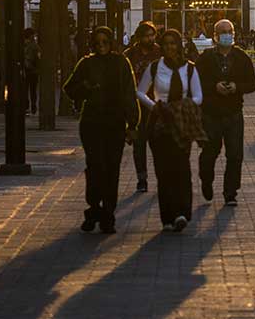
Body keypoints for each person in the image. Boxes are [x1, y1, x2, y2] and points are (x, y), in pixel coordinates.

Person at [63, 26, 140, 234]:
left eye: (105, 42)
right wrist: (86, 88)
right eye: (97, 43)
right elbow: (69, 88)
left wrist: (132, 124)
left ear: (111, 42)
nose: (101, 46)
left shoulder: (120, 63)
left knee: (112, 168)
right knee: (95, 165)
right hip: (92, 122)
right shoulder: (87, 64)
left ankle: (108, 213)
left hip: (114, 122)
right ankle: (94, 207)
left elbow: (129, 94)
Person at [136, 28, 205, 232]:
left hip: (181, 122)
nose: (170, 47)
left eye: (173, 43)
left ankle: (182, 212)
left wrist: (184, 107)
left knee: (181, 168)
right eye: (165, 43)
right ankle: (168, 215)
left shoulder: (189, 69)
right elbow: (140, 91)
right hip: (160, 123)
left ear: (179, 45)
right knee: (163, 171)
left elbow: (199, 96)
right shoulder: (155, 68)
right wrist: (155, 106)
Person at [196, 19, 255, 205]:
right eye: (222, 31)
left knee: (235, 154)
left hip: (233, 113)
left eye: (229, 31)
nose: (226, 34)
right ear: (215, 36)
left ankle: (230, 192)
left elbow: (253, 84)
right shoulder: (205, 58)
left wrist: (236, 87)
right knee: (209, 152)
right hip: (211, 113)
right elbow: (196, 83)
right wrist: (214, 87)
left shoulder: (241, 57)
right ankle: (206, 180)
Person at [124, 21, 162, 192]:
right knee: (139, 145)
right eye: (146, 35)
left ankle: (162, 177)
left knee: (158, 145)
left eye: (152, 35)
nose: (150, 38)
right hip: (136, 105)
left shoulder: (159, 52)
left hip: (156, 103)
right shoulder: (130, 54)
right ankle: (142, 179)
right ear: (139, 37)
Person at [23, 28, 40, 115]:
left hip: (26, 70)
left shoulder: (23, 45)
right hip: (33, 70)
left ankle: (26, 106)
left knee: (25, 89)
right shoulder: (34, 45)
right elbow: (38, 58)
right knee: (33, 90)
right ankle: (33, 106)